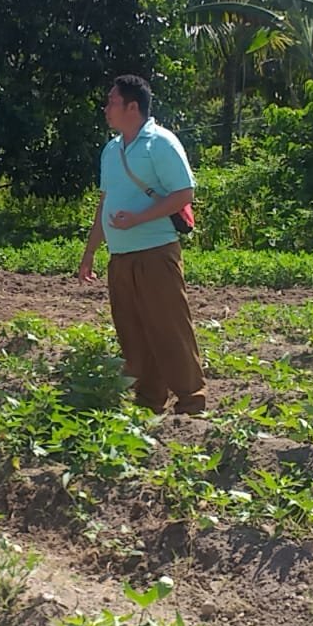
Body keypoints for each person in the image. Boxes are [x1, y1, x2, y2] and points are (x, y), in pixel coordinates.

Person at [77, 74, 207, 414]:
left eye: (112, 102)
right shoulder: (111, 150)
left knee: (169, 326)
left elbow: (184, 194)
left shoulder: (160, 143)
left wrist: (138, 219)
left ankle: (192, 398)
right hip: (120, 256)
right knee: (132, 331)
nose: (106, 108)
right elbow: (104, 203)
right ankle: (149, 400)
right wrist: (90, 252)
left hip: (155, 253)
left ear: (132, 107)